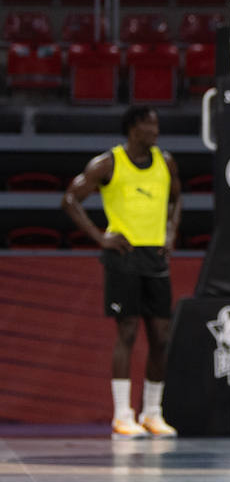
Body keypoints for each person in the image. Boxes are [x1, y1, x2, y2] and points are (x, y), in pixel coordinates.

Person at [61, 106, 183, 438]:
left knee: (161, 336)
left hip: (155, 257)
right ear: (132, 129)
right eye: (148, 125)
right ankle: (121, 414)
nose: (155, 131)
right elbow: (71, 198)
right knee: (127, 332)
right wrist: (101, 237)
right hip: (123, 257)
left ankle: (152, 413)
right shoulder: (108, 163)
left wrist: (171, 233)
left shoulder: (165, 162)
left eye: (157, 124)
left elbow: (176, 199)